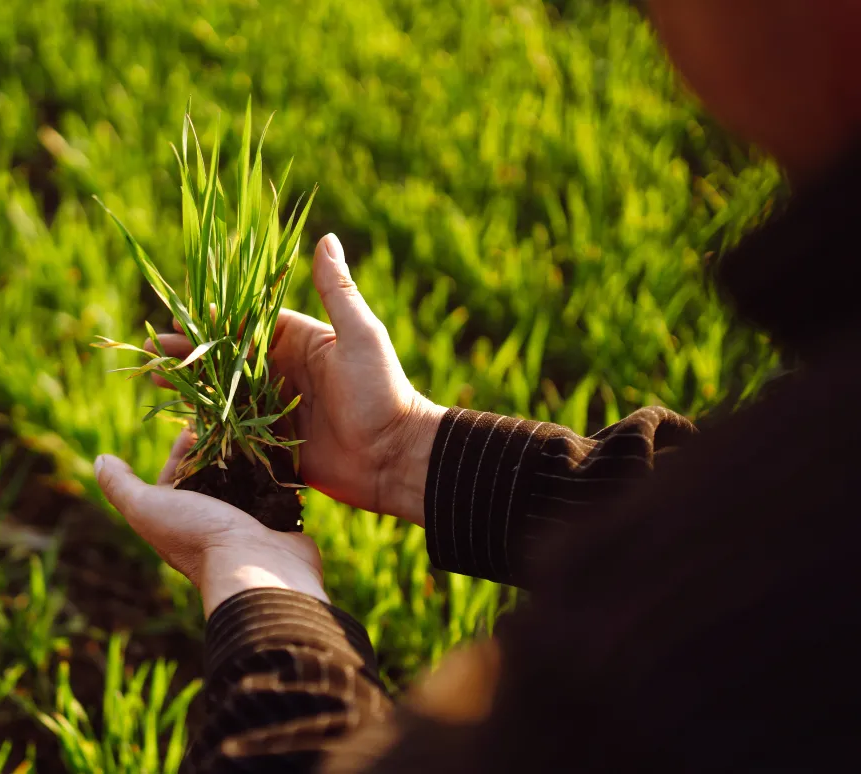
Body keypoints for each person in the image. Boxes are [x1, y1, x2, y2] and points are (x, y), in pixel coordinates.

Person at [93, 1, 861, 771]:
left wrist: (250, 574)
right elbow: (714, 528)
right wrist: (407, 446)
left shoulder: (779, 574)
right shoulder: (809, 477)